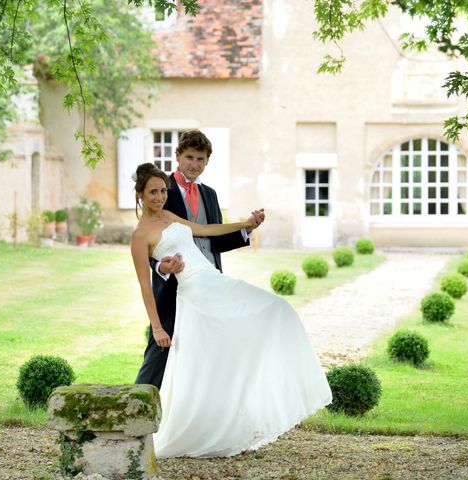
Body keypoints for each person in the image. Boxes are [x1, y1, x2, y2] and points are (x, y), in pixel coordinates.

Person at [131, 163, 332, 458]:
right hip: (195, 293)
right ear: (140, 194)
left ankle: (242, 410)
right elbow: (145, 286)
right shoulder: (139, 236)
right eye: (153, 192)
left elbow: (206, 230)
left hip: (213, 280)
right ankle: (184, 424)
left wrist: (244, 224)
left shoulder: (170, 216)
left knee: (276, 309)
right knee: (211, 354)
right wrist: (158, 327)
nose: (160, 197)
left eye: (163, 191)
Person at [134, 129, 264, 389]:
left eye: (200, 159)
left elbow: (210, 234)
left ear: (207, 162)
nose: (194, 165)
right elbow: (149, 245)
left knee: (210, 351)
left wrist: (246, 228)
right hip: (172, 287)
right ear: (178, 156)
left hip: (209, 281)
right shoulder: (160, 190)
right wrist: (161, 266)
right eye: (190, 157)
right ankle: (134, 408)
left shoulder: (210, 195)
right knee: (160, 354)